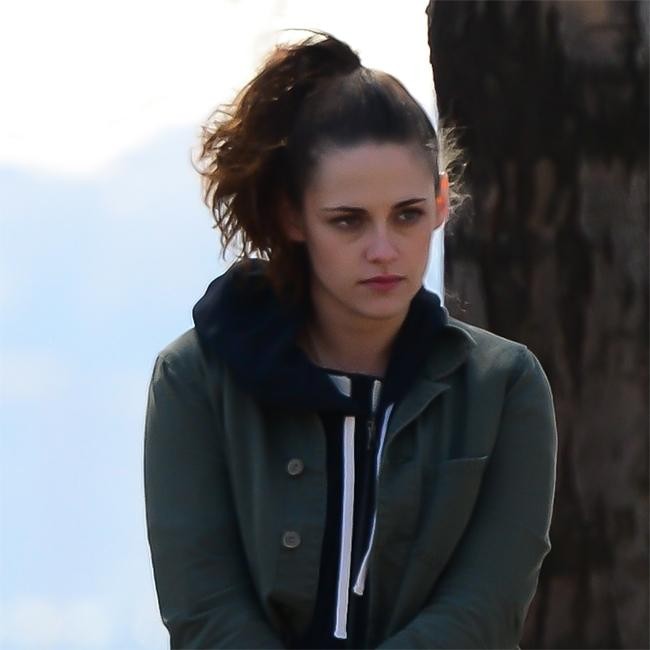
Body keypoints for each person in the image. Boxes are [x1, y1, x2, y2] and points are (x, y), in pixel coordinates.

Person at [143, 31, 557, 650]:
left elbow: (484, 609)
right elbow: (204, 610)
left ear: (441, 203)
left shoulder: (504, 388)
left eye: (408, 214)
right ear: (292, 216)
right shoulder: (195, 378)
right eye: (348, 221)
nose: (383, 250)